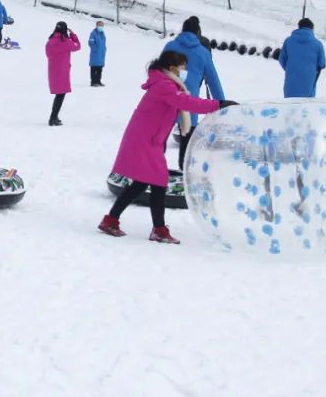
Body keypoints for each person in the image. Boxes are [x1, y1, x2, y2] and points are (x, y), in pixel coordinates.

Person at [98, 50, 232, 244]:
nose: (185, 70)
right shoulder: (165, 86)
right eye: (183, 66)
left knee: (141, 182)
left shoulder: (164, 83)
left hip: (149, 138)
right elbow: (187, 102)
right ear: (172, 68)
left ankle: (111, 220)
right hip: (145, 140)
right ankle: (158, 230)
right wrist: (218, 104)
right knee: (159, 181)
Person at [164, 16, 225, 167]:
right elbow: (213, 81)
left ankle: (150, 169)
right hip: (189, 104)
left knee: (159, 139)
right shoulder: (203, 52)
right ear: (198, 32)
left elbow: (159, 71)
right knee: (186, 143)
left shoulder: (170, 46)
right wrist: (222, 104)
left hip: (166, 99)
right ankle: (184, 173)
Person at [279, 18, 326, 98]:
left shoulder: (288, 41)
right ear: (312, 29)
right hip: (309, 84)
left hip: (291, 82)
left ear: (299, 27)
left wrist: (291, 69)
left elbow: (282, 59)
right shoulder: (318, 44)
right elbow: (322, 64)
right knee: (306, 107)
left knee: (289, 105)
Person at [45, 21, 81, 126]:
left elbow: (48, 54)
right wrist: (73, 35)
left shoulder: (50, 41)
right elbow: (77, 46)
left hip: (53, 71)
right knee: (61, 94)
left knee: (59, 94)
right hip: (62, 71)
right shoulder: (66, 42)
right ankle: (52, 118)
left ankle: (54, 116)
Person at [88, 20, 107, 87]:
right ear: (96, 26)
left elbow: (103, 44)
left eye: (101, 25)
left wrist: (104, 50)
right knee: (94, 68)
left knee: (99, 69)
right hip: (95, 54)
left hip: (101, 54)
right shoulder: (93, 33)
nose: (100, 26)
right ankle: (93, 82)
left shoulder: (102, 34)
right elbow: (91, 43)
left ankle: (98, 81)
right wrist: (96, 49)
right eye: (99, 25)